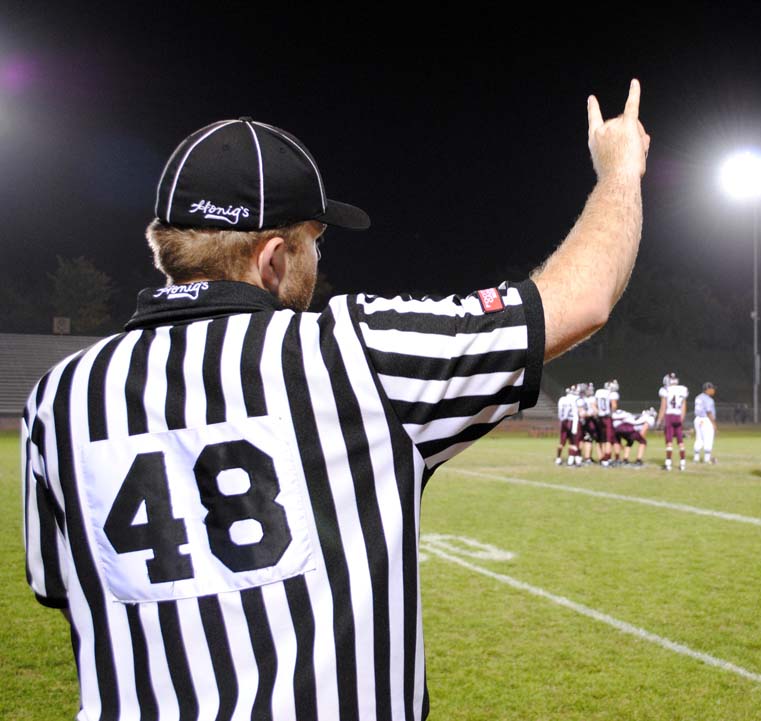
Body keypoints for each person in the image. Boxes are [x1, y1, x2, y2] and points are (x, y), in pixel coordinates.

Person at [20, 83, 651, 720]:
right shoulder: (348, 353)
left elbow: (59, 585)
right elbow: (580, 300)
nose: (318, 259)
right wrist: (619, 170)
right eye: (314, 241)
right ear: (273, 258)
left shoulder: (60, 397)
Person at [656, 371, 688, 471]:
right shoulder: (682, 389)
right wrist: (681, 419)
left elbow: (663, 407)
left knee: (669, 441)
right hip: (678, 416)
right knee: (680, 441)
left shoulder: (665, 390)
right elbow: (684, 407)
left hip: (669, 416)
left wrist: (659, 421)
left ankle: (668, 464)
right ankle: (682, 464)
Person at [594, 379, 620, 466]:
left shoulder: (599, 392)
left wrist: (598, 411)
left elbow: (594, 405)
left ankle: (603, 458)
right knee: (609, 439)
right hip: (607, 417)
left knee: (603, 438)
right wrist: (612, 412)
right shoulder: (612, 394)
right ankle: (607, 459)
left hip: (600, 418)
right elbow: (614, 406)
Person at [692, 382, 717, 464]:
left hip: (697, 419)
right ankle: (707, 459)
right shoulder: (708, 399)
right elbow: (709, 412)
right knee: (708, 439)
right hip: (706, 420)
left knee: (699, 439)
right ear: (708, 389)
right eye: (712, 389)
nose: (714, 390)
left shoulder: (698, 397)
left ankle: (696, 458)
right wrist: (713, 423)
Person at [556, 385, 579, 465]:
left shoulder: (562, 399)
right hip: (571, 422)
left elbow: (560, 412)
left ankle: (558, 458)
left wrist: (561, 421)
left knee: (561, 442)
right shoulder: (574, 400)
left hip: (563, 422)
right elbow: (575, 413)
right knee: (573, 442)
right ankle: (571, 460)